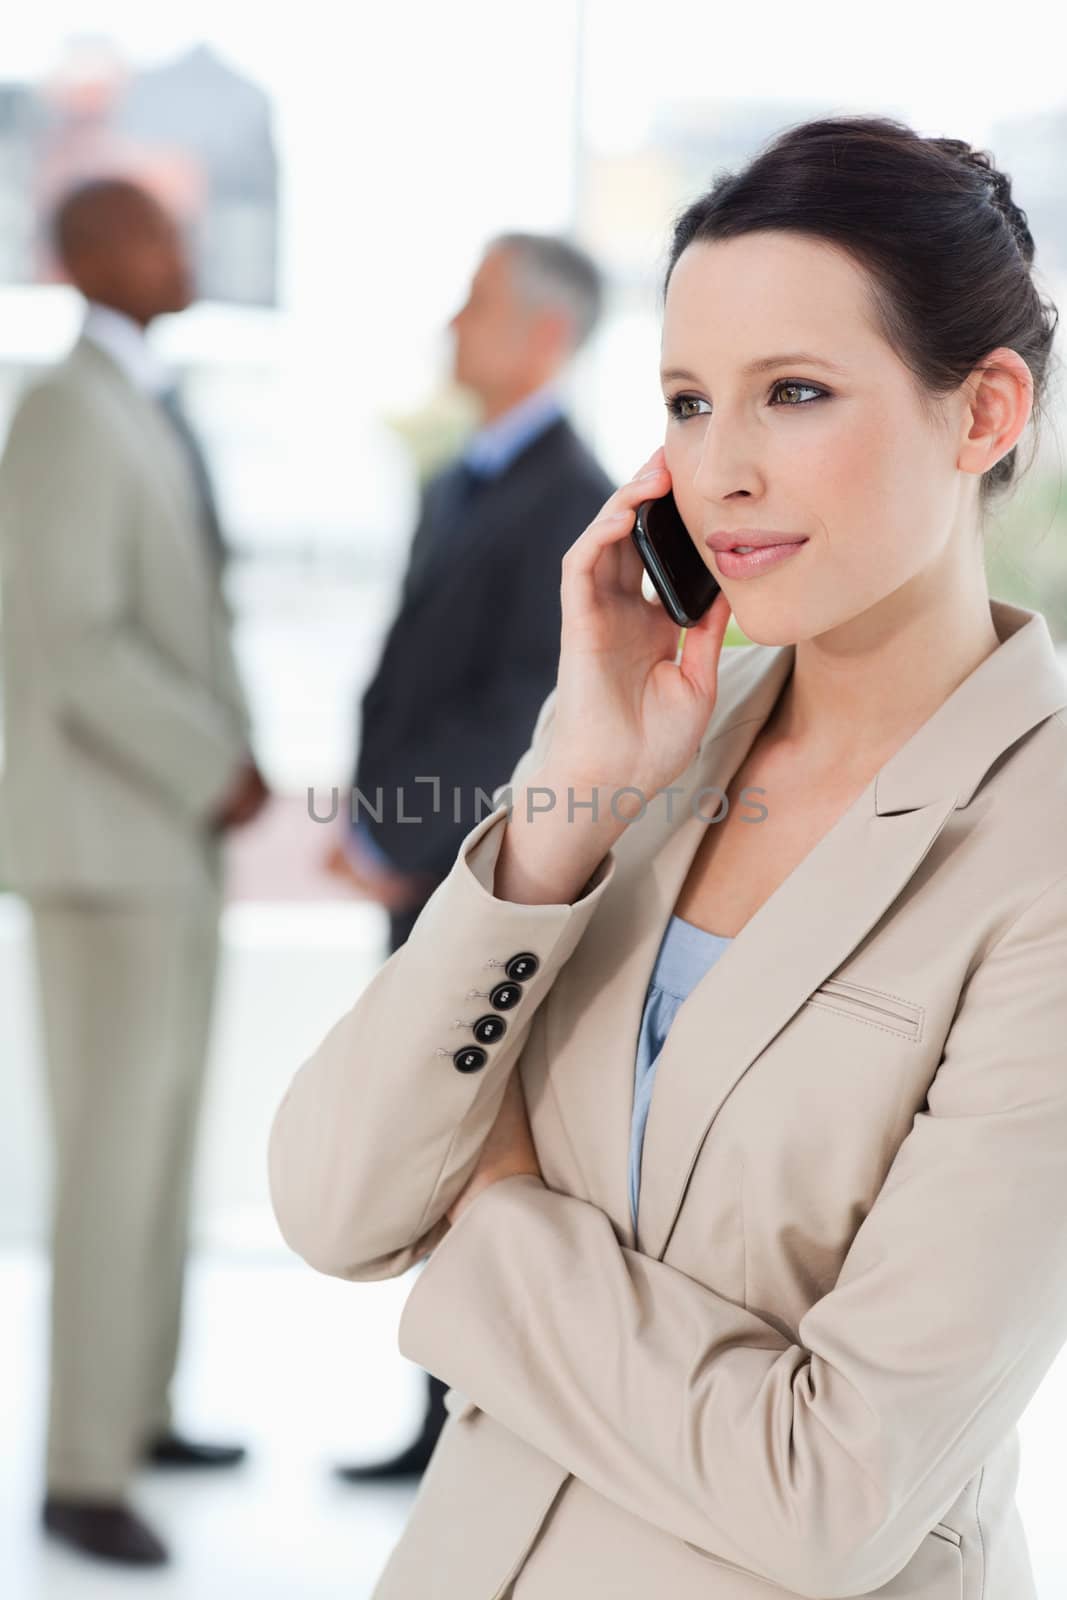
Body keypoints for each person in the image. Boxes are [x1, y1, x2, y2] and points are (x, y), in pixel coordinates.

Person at [267, 114, 1067, 1599]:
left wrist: (490, 1220)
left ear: (983, 412)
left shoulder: (1039, 858)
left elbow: (829, 1495)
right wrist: (569, 794)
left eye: (796, 393)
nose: (721, 469)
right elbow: (331, 1200)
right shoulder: (645, 760)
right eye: (688, 402)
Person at [0, 177, 269, 1569]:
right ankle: (78, 1468)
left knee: (158, 1157)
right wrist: (210, 761)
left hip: (159, 845)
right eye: (161, 229)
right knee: (108, 1167)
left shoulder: (139, 401)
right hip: (107, 846)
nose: (188, 245)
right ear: (88, 253)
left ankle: (140, 1409)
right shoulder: (61, 412)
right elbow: (73, 639)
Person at [326, 232, 613, 1479]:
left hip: (486, 873)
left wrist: (397, 826)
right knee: (425, 1137)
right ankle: (434, 1424)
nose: (450, 322)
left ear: (543, 337)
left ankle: (474, 1434)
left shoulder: (574, 494)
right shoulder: (460, 479)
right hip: (423, 868)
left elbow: (524, 705)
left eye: (478, 303)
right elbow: (415, 674)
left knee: (485, 1145)